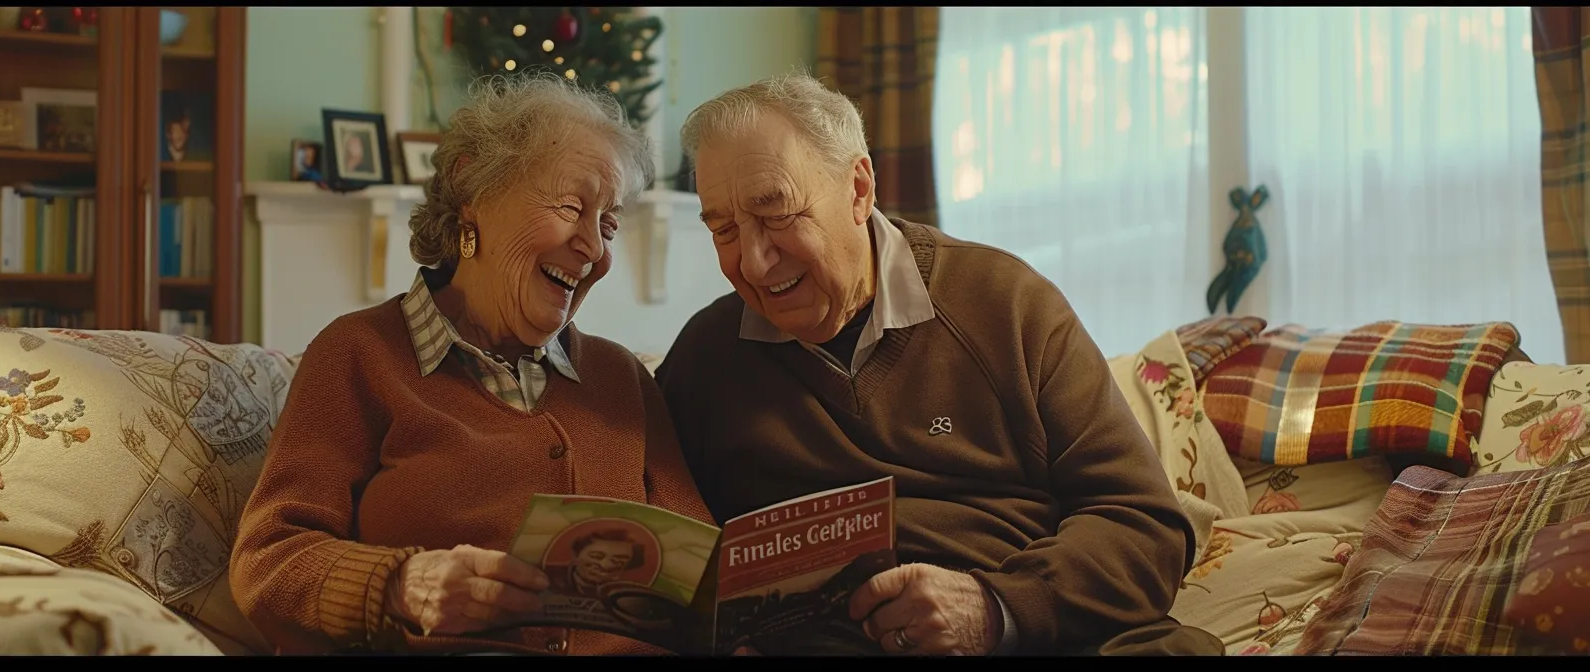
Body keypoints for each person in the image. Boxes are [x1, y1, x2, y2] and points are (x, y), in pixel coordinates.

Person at [655, 73, 1226, 657]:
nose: (752, 261)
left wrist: (994, 608)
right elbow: (665, 554)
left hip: (1030, 627)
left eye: (776, 214)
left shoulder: (1005, 303)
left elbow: (1144, 524)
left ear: (858, 189)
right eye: (723, 229)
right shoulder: (706, 359)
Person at [229, 71, 712, 656]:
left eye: (608, 224)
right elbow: (268, 561)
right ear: (472, 192)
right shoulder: (359, 355)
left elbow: (704, 568)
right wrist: (403, 586)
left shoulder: (621, 379)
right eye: (570, 206)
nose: (593, 247)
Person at [547, 529, 645, 598]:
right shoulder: (546, 576)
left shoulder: (630, 592)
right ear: (576, 556)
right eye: (596, 557)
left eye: (618, 561)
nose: (605, 565)